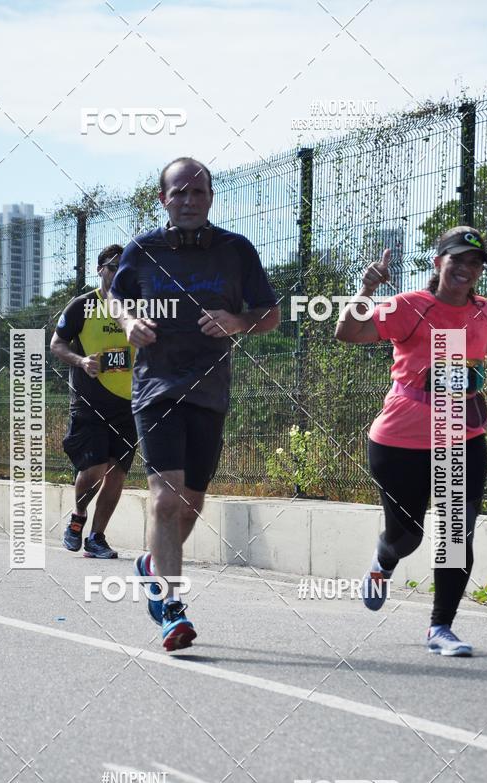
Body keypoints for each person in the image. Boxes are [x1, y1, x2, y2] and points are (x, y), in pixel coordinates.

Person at [335, 226, 487, 656]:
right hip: (400, 439)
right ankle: (384, 560)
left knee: (455, 533)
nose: (466, 268)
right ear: (438, 262)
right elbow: (348, 333)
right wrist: (366, 290)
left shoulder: (484, 311)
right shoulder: (410, 305)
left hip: (461, 435)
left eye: (475, 263)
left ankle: (440, 628)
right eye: (458, 259)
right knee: (406, 536)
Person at [109, 157, 280, 651]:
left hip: (209, 391)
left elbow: (270, 314)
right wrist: (128, 323)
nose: (188, 200)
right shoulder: (143, 250)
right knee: (166, 498)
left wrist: (238, 321)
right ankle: (171, 608)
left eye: (197, 192)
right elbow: (116, 298)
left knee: (191, 504)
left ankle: (151, 564)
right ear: (163, 199)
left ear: (210, 197)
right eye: (178, 192)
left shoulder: (236, 250)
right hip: (156, 388)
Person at [51, 244, 137, 559]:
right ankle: (78, 516)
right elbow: (57, 344)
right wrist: (81, 360)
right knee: (95, 469)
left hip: (129, 404)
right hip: (90, 402)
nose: (118, 273)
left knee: (117, 473)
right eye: (113, 267)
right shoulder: (83, 306)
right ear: (100, 269)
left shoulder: (139, 307)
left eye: (124, 268)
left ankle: (97, 538)